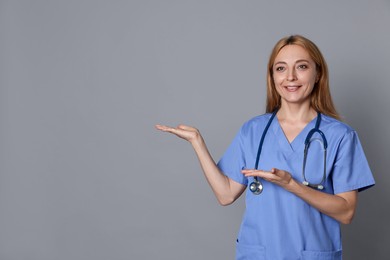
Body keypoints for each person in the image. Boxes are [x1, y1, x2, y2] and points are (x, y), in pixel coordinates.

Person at [155, 35, 375, 260]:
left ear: (318, 74)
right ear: (272, 76)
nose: (290, 77)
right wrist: (197, 143)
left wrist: (292, 185)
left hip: (311, 254)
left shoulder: (340, 136)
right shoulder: (253, 131)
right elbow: (225, 194)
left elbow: (346, 212)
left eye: (301, 67)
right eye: (281, 68)